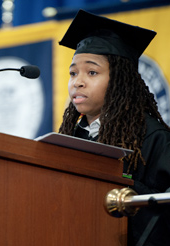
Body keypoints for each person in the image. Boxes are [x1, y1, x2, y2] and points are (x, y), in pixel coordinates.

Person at [58, 9, 170, 246]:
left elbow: (163, 209)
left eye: (92, 72)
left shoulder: (152, 136)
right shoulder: (70, 138)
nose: (77, 81)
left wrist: (119, 185)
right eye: (73, 73)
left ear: (120, 81)